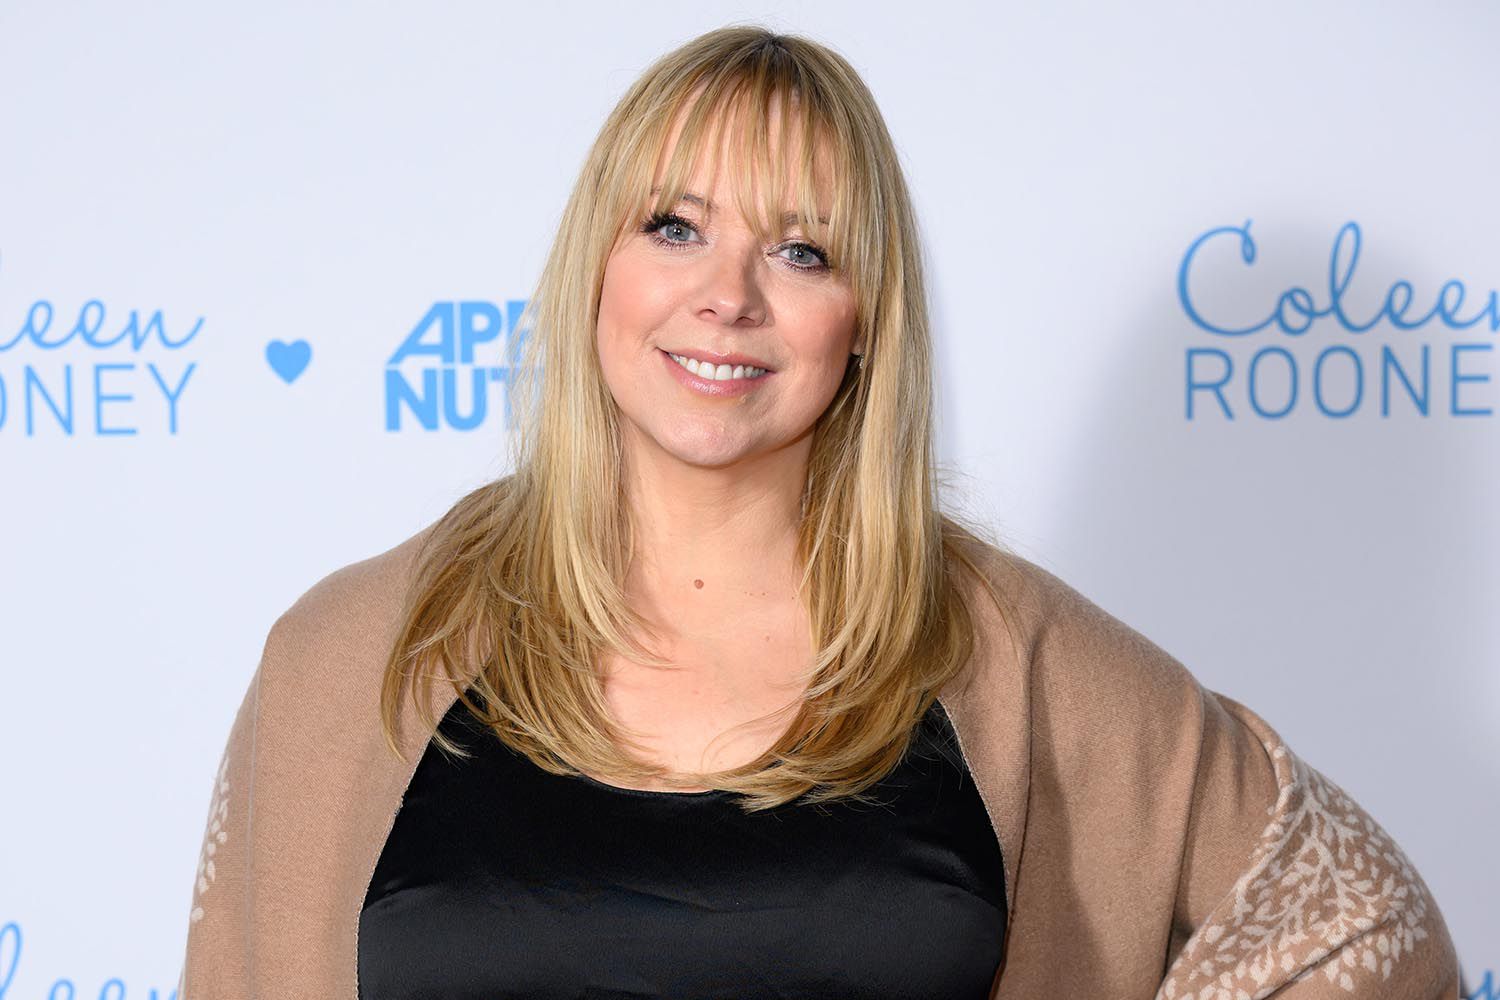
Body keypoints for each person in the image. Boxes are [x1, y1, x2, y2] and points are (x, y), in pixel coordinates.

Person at [176, 24, 1462, 999]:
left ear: (863, 327)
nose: (728, 294)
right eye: (675, 226)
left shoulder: (1009, 655)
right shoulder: (357, 654)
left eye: (802, 251)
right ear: (596, 273)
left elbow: (1362, 929)